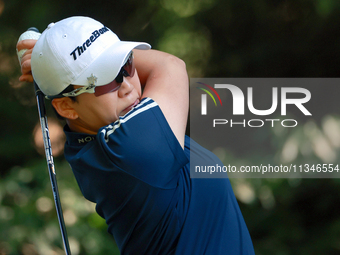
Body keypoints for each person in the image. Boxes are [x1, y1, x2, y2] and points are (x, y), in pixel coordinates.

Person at [17, 16, 255, 255]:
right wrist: (48, 62)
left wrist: (48, 63)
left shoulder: (89, 142)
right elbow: (169, 66)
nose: (128, 86)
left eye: (126, 65)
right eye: (104, 81)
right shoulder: (130, 151)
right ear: (66, 107)